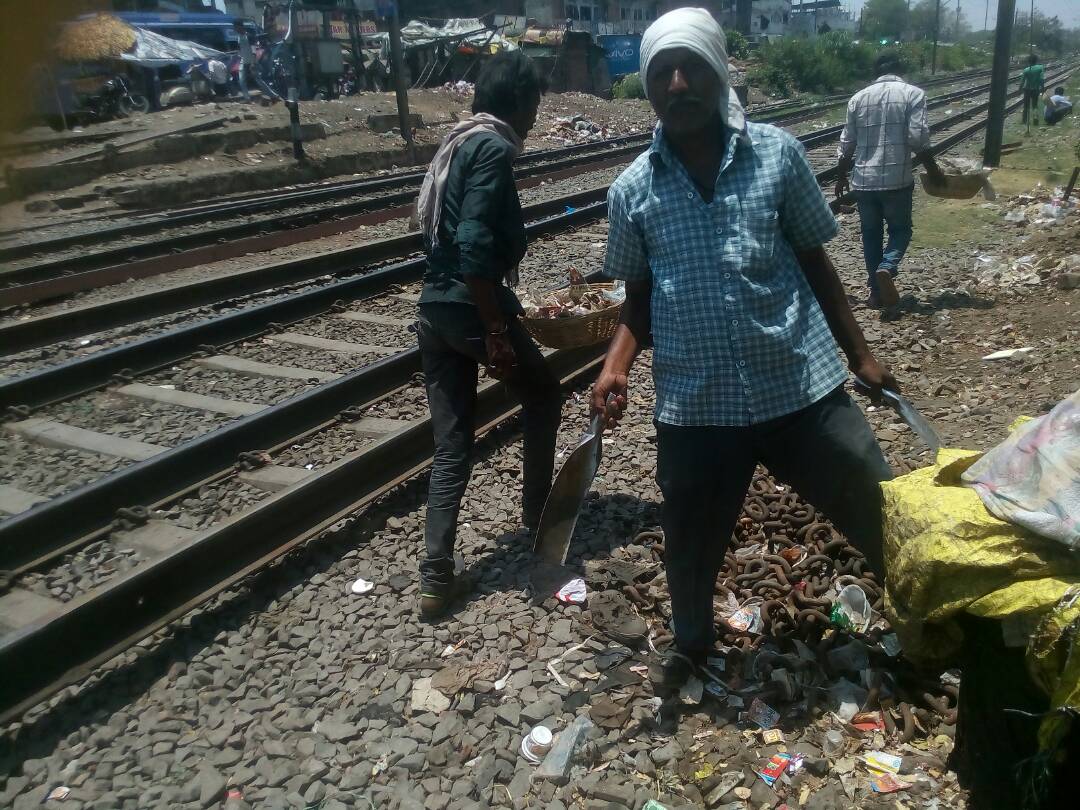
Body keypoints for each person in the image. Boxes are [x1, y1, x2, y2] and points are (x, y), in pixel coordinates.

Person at [591, 7, 897, 689]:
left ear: (720, 72)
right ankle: (692, 643)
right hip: (697, 406)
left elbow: (815, 262)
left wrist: (860, 354)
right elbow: (638, 300)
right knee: (690, 542)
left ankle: (929, 607)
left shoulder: (777, 155)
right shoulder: (633, 191)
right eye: (661, 73)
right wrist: (615, 367)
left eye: (691, 67)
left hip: (798, 386)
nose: (677, 84)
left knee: (877, 500)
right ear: (648, 87)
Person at [414, 52, 561, 619]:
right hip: (471, 307)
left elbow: (443, 237)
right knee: (545, 395)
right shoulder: (495, 149)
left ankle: (435, 577)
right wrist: (497, 329)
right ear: (520, 102)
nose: (535, 116)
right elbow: (474, 245)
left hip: (434, 311)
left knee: (452, 445)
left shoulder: (458, 140)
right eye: (535, 104)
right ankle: (537, 516)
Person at [835, 51, 943, 309]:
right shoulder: (913, 94)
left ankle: (875, 293)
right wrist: (934, 170)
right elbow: (917, 138)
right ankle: (888, 266)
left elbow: (846, 143)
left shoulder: (857, 99)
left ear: (875, 72)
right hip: (897, 179)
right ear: (900, 70)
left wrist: (841, 177)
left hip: (863, 180)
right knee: (901, 230)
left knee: (871, 236)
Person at [233, 20, 281, 104]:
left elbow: (253, 51)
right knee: (241, 81)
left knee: (258, 81)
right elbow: (240, 50)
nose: (235, 29)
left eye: (236, 27)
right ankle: (247, 98)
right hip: (243, 62)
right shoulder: (238, 37)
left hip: (252, 61)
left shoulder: (249, 36)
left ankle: (274, 96)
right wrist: (236, 58)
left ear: (240, 26)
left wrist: (252, 63)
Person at [1020, 53, 1045, 126]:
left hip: (1027, 89)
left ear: (1029, 61)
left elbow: (1022, 81)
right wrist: (1042, 88)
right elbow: (1041, 79)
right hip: (1035, 89)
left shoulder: (1026, 70)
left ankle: (1024, 120)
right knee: (1035, 105)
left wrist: (1019, 89)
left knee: (1026, 106)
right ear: (1036, 60)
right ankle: (1035, 118)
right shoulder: (1040, 68)